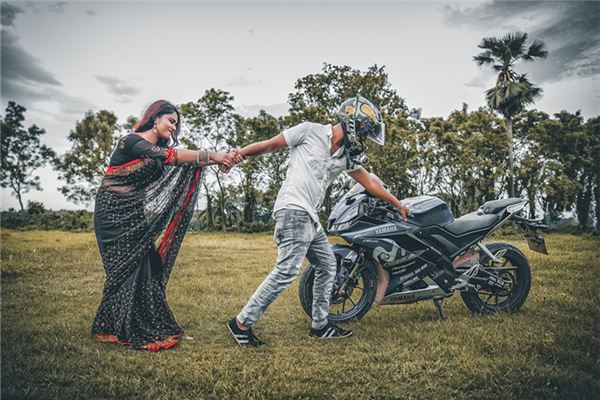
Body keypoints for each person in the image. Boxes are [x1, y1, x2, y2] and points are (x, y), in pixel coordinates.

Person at [226, 96, 409, 347]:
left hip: (310, 217)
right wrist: (238, 155)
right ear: (354, 124)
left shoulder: (346, 156)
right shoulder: (309, 131)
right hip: (293, 209)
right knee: (286, 270)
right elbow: (270, 145)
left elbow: (370, 183)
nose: (365, 141)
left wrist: (398, 203)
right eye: (365, 134)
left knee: (327, 264)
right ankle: (241, 323)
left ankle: (320, 325)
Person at [92, 99, 240, 351]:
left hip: (133, 213)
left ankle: (130, 324)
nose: (174, 127)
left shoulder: (158, 154)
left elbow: (184, 161)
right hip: (111, 212)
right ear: (155, 117)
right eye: (171, 121)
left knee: (148, 263)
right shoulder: (131, 142)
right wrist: (216, 155)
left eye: (176, 124)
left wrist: (219, 161)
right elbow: (174, 155)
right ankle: (111, 327)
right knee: (124, 267)